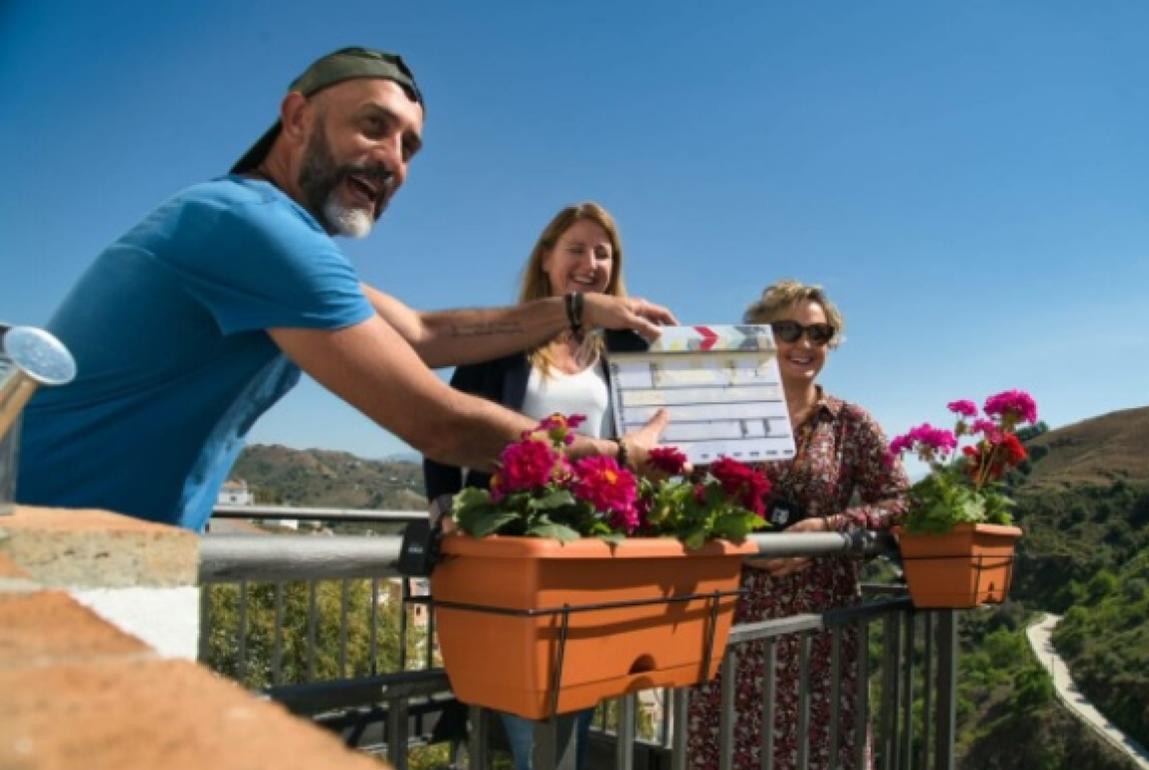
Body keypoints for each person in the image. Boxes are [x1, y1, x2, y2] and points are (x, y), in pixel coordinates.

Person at [16, 47, 673, 531]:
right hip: (46, 542)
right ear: (297, 116)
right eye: (373, 127)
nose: (393, 160)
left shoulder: (265, 230)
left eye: (410, 148)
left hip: (95, 544)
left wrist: (580, 308)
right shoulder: (252, 229)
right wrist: (614, 456)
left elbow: (424, 334)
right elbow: (434, 423)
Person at [423, 201, 631, 769]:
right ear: (546, 259)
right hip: (515, 552)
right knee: (534, 714)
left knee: (575, 706)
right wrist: (445, 510)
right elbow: (446, 427)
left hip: (592, 555)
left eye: (602, 253)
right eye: (576, 250)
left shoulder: (620, 354)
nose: (590, 263)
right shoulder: (504, 343)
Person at [685, 280, 909, 770]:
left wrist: (828, 531)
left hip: (820, 637)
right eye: (788, 330)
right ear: (761, 337)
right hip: (734, 627)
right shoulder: (724, 415)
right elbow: (687, 501)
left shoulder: (850, 423)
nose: (804, 344)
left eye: (818, 332)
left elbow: (901, 501)